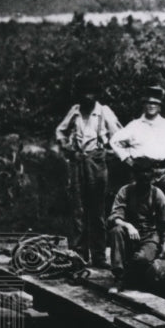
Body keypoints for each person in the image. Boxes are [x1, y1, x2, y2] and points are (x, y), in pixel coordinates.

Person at [110, 85, 165, 246]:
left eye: (155, 103)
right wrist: (127, 159)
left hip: (161, 171)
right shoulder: (135, 125)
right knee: (141, 201)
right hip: (141, 174)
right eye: (148, 103)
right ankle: (144, 237)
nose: (151, 106)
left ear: (160, 106)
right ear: (144, 104)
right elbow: (115, 141)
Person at [55, 76, 122, 267]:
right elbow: (60, 131)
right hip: (78, 161)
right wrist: (67, 148)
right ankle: (80, 255)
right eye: (84, 94)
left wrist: (110, 153)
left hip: (97, 162)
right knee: (78, 209)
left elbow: (120, 136)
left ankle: (99, 256)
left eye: (91, 93)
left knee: (97, 211)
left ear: (96, 95)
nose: (88, 97)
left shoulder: (104, 112)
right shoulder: (75, 111)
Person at [107, 156, 165, 293]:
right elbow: (114, 217)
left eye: (147, 174)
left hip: (149, 236)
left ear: (152, 176)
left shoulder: (157, 194)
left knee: (141, 261)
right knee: (116, 230)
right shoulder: (125, 191)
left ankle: (134, 270)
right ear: (134, 176)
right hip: (129, 235)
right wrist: (128, 226)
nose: (144, 177)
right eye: (140, 174)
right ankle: (119, 277)